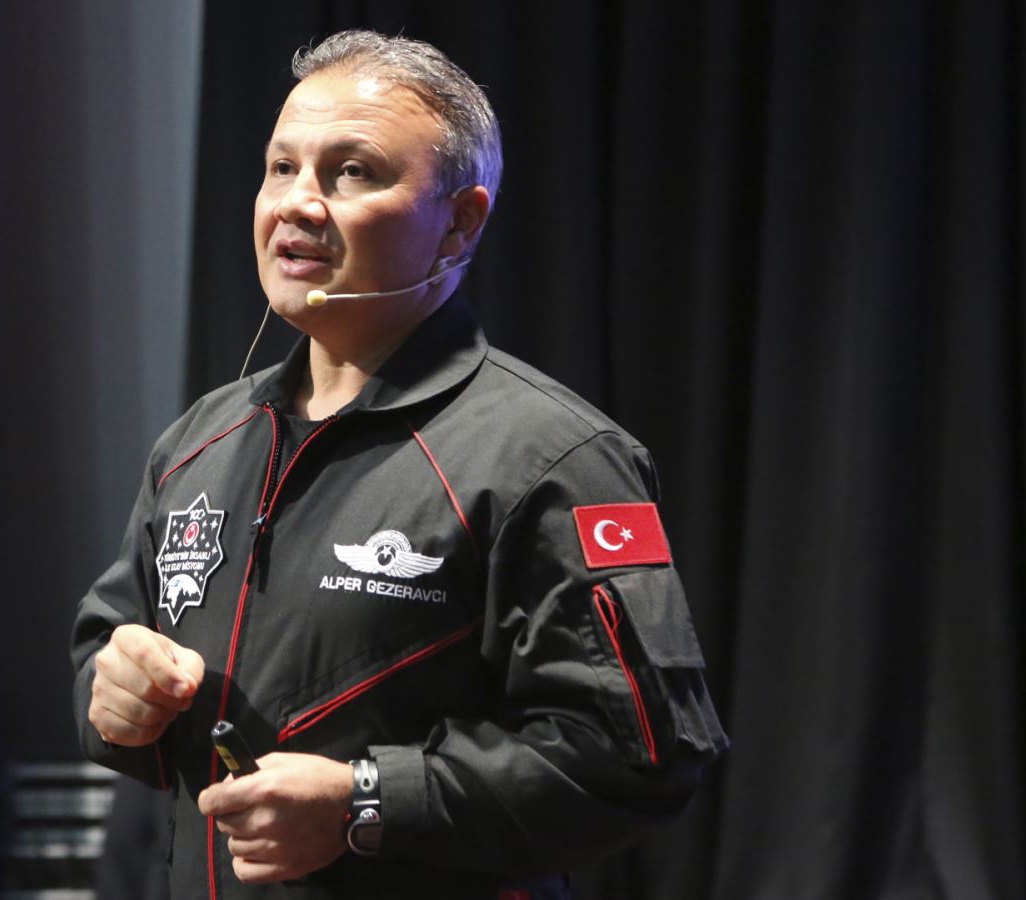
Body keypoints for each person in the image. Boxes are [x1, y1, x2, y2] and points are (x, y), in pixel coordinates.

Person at [72, 30, 728, 900]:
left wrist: (367, 802)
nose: (297, 204)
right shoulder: (200, 440)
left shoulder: (552, 458)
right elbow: (105, 645)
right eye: (281, 168)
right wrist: (112, 697)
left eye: (352, 172)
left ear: (460, 222)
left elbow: (643, 753)